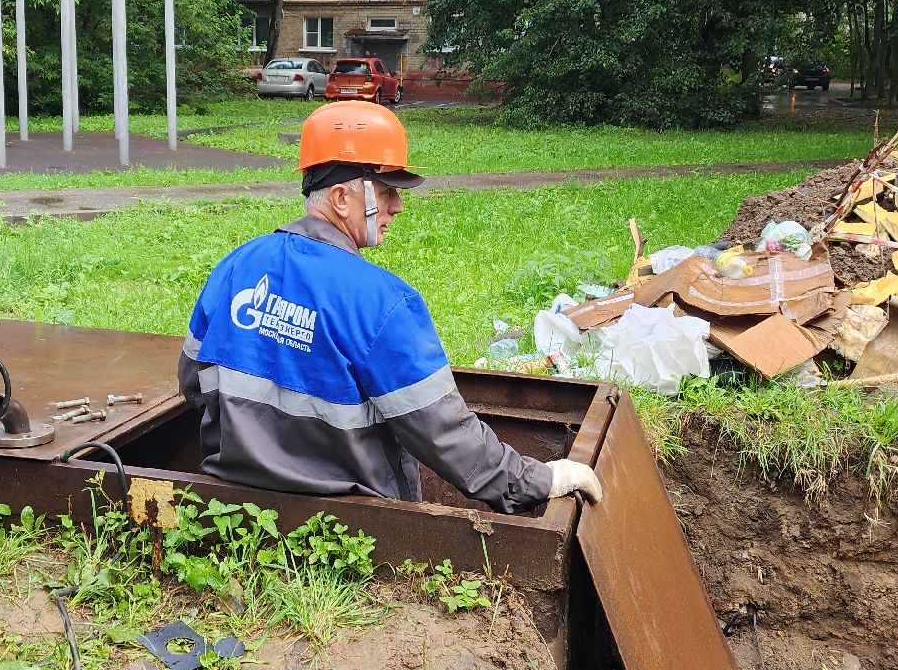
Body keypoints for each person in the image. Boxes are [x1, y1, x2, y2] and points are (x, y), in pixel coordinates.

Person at [179, 101, 603, 513]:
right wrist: (539, 480)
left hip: (235, 511)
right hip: (355, 527)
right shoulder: (380, 301)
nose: (397, 207)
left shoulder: (234, 267)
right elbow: (444, 434)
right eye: (386, 192)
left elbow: (193, 384)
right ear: (343, 197)